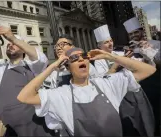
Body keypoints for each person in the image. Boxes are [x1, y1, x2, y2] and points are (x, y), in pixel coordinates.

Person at [17, 47, 156, 136]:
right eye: (74, 58)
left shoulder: (107, 83)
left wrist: (110, 56)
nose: (81, 59)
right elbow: (24, 97)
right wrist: (52, 66)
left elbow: (149, 70)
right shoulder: (60, 95)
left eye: (84, 56)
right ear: (68, 67)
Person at [93, 24, 156, 136]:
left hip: (136, 92)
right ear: (99, 46)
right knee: (131, 128)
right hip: (122, 97)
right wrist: (117, 63)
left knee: (146, 121)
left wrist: (144, 52)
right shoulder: (99, 61)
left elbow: (144, 66)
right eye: (106, 42)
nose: (110, 43)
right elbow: (104, 80)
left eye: (110, 40)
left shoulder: (120, 53)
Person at [124, 17, 160, 136]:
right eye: (131, 34)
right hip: (139, 91)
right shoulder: (127, 51)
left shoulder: (156, 44)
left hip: (157, 85)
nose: (134, 35)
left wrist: (147, 50)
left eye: (136, 32)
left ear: (142, 31)